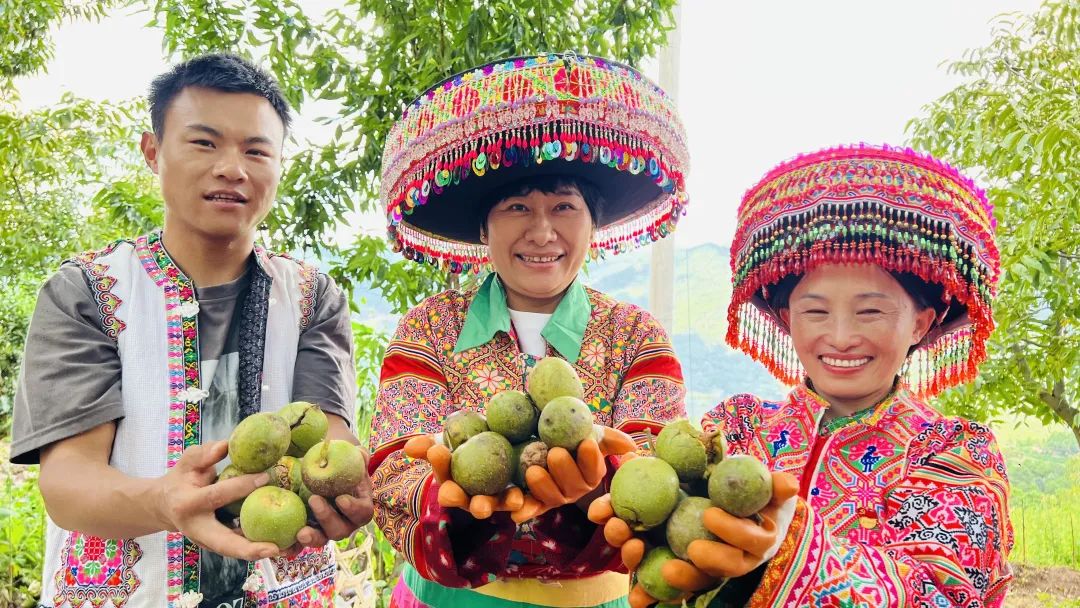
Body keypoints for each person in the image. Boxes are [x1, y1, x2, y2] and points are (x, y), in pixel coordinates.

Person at [10, 53, 373, 607]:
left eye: (257, 150)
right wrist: (164, 501)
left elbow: (328, 439)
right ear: (153, 153)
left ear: (279, 166)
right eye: (204, 142)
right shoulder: (86, 291)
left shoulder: (311, 297)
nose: (233, 168)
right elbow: (68, 483)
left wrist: (341, 493)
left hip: (286, 586)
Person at [592, 144, 1013, 607]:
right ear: (788, 317)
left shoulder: (954, 452)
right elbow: (673, 547)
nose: (840, 336)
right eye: (815, 310)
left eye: (870, 311)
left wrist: (783, 550)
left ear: (921, 322)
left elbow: (945, 595)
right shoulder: (736, 426)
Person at [369, 53, 691, 608]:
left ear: (594, 224)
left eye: (565, 206)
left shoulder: (636, 336)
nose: (542, 231)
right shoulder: (430, 326)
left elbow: (663, 471)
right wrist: (459, 496)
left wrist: (600, 482)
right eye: (517, 206)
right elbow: (393, 471)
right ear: (484, 226)